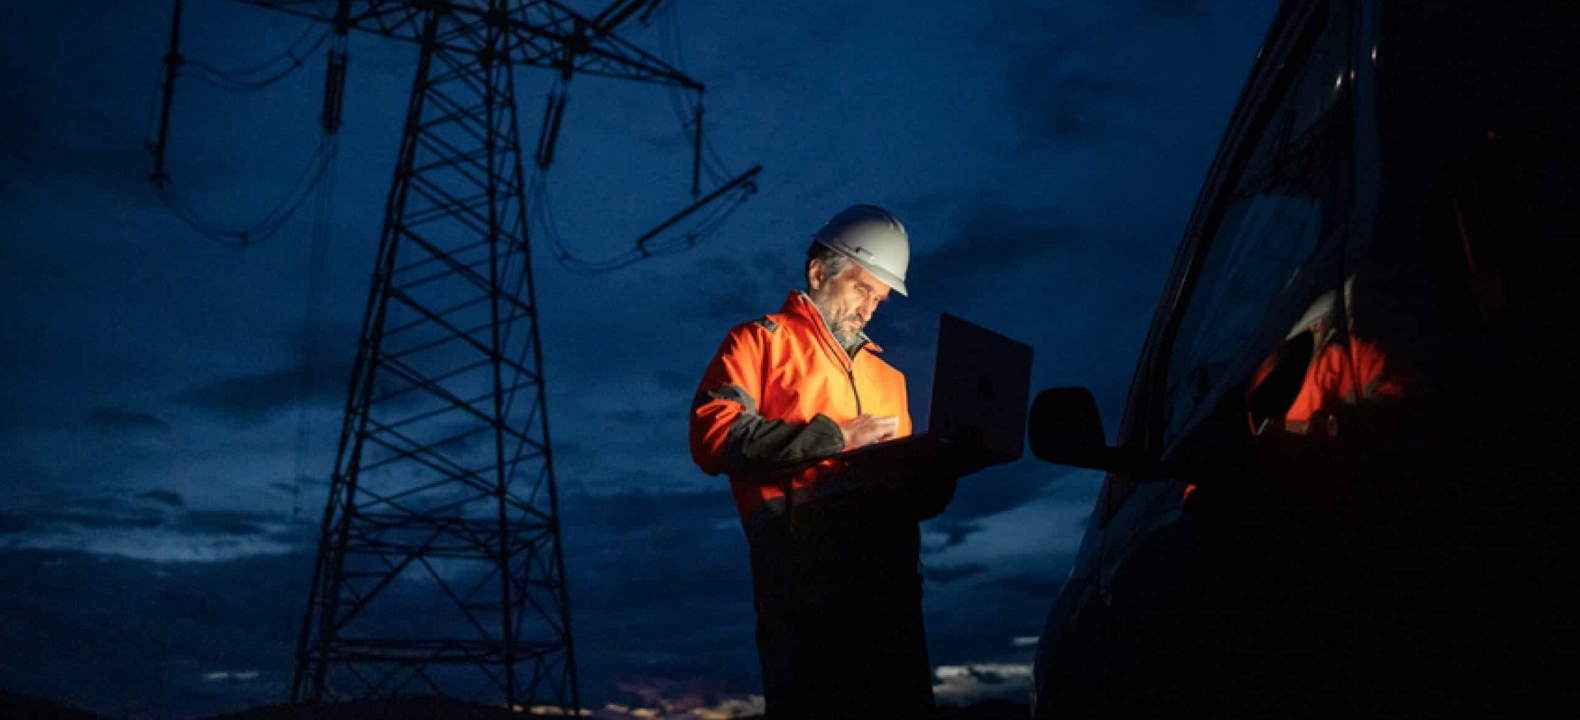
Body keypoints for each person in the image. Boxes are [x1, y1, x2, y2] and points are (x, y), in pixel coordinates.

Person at [689, 204, 970, 719]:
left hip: (892, 585)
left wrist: (945, 469)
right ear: (819, 272)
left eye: (880, 299)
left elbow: (907, 498)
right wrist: (835, 437)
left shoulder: (891, 381)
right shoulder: (760, 343)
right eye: (862, 289)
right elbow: (714, 435)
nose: (869, 308)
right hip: (801, 577)